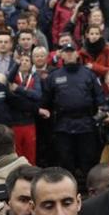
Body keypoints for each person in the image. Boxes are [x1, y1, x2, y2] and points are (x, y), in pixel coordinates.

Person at [39, 43, 105, 180]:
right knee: (65, 161)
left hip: (86, 124)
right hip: (63, 125)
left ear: (77, 54)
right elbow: (45, 102)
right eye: (66, 52)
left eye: (71, 51)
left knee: (88, 160)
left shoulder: (88, 74)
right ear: (61, 55)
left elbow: (100, 99)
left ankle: (91, 192)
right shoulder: (54, 76)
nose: (69, 54)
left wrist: (97, 118)